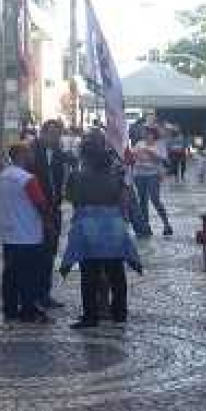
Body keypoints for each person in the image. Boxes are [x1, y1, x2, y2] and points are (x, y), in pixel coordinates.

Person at [62, 130, 142, 329]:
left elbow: (71, 198)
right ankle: (119, 313)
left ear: (85, 156)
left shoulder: (76, 176)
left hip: (86, 228)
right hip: (113, 227)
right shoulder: (117, 174)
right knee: (116, 272)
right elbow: (125, 200)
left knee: (89, 275)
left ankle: (91, 316)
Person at [0, 142, 55, 324]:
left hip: (9, 235)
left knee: (10, 275)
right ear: (21, 155)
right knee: (30, 276)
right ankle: (29, 311)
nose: (32, 155)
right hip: (29, 235)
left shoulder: (4, 175)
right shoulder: (27, 178)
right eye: (29, 152)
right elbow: (41, 204)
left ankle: (10, 310)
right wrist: (49, 224)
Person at [30, 120, 70, 308]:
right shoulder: (31, 152)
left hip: (54, 208)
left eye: (58, 134)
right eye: (52, 134)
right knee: (36, 252)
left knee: (50, 252)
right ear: (43, 133)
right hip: (35, 209)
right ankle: (33, 294)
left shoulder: (59, 154)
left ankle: (44, 294)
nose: (55, 138)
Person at [131, 127, 173, 237]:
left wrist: (149, 152)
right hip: (139, 175)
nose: (147, 135)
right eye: (145, 133)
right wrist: (137, 155)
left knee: (155, 199)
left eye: (149, 133)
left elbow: (162, 159)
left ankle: (166, 224)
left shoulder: (159, 144)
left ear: (154, 135)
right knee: (142, 201)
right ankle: (145, 227)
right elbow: (133, 156)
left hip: (153, 175)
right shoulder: (139, 143)